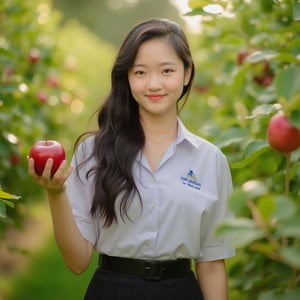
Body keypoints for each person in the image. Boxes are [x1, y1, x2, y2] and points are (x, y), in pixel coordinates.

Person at [28, 18, 235, 300]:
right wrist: (56, 194)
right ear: (127, 76)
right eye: (140, 72)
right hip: (112, 291)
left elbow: (211, 264)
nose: (154, 84)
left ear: (187, 74)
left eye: (167, 70)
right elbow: (77, 262)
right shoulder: (94, 152)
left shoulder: (210, 160)